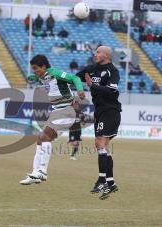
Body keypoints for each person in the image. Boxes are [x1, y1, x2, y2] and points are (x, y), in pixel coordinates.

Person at [19, 54, 85, 185]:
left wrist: (80, 90)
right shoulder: (43, 76)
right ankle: (35, 173)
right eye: (33, 69)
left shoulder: (55, 73)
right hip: (57, 111)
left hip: (67, 110)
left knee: (45, 138)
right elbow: (38, 79)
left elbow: (75, 77)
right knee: (40, 140)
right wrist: (32, 77)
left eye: (36, 68)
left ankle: (42, 172)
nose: (35, 71)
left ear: (44, 66)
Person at [77, 46, 121, 200]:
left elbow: (111, 91)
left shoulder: (112, 71)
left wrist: (92, 85)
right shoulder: (92, 68)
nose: (95, 54)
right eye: (95, 52)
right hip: (99, 112)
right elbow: (75, 77)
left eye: (98, 52)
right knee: (101, 145)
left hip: (111, 111)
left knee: (101, 143)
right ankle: (111, 182)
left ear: (106, 55)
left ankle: (102, 180)